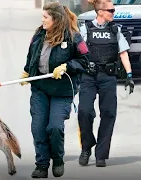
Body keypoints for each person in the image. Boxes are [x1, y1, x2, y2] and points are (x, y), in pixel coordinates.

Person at [19, 2, 89, 178]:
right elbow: (32, 54)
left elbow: (85, 61)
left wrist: (67, 66)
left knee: (55, 127)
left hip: (62, 90)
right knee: (38, 127)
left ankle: (57, 159)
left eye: (45, 17)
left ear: (56, 19)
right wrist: (27, 71)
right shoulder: (38, 35)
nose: (42, 20)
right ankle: (42, 165)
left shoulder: (74, 37)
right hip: (40, 88)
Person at [77, 0, 134, 168]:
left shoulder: (115, 30)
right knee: (85, 112)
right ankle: (86, 147)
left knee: (108, 114)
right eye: (111, 10)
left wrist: (129, 75)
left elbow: (123, 53)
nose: (113, 13)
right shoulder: (85, 29)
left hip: (108, 77)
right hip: (89, 77)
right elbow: (77, 52)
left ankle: (101, 154)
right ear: (100, 12)